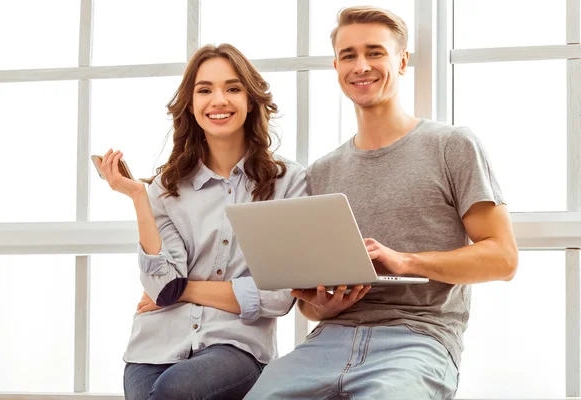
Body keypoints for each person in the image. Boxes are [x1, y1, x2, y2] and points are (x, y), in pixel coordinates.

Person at [245, 6, 518, 400]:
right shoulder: (322, 172)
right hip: (327, 342)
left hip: (418, 340)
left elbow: (503, 258)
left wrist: (406, 260)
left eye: (375, 52)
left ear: (402, 61)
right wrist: (324, 305)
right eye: (349, 55)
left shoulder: (452, 146)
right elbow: (309, 309)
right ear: (336, 66)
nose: (361, 66)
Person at [97, 43, 306, 400]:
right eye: (205, 90)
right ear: (191, 106)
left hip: (236, 346)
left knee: (173, 391)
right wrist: (138, 198)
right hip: (154, 346)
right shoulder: (166, 187)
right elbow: (161, 282)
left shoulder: (289, 182)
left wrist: (184, 289)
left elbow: (279, 295)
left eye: (233, 88)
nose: (218, 100)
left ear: (251, 100)